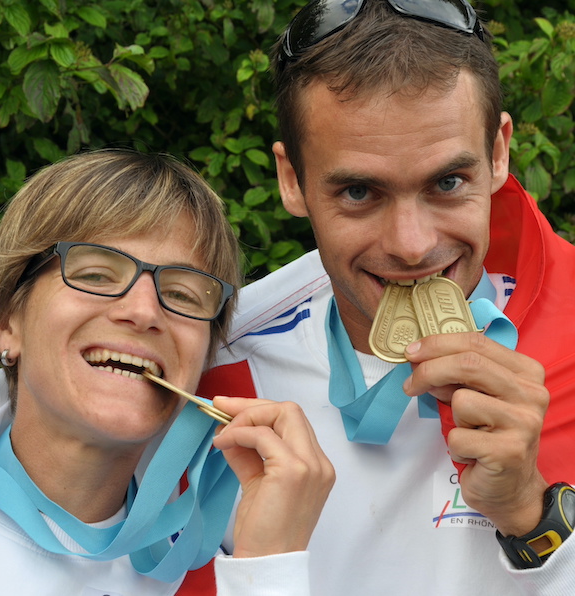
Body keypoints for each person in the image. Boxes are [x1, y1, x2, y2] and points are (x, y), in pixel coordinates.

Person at [197, 0, 575, 594]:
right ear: (291, 178)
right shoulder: (214, 382)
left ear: (499, 152)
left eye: (448, 183)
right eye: (358, 191)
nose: (411, 245)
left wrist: (532, 513)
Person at [0, 149, 334, 596]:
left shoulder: (228, 569)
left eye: (182, 294)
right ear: (7, 319)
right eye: (97, 274)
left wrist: (268, 568)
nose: (145, 311)